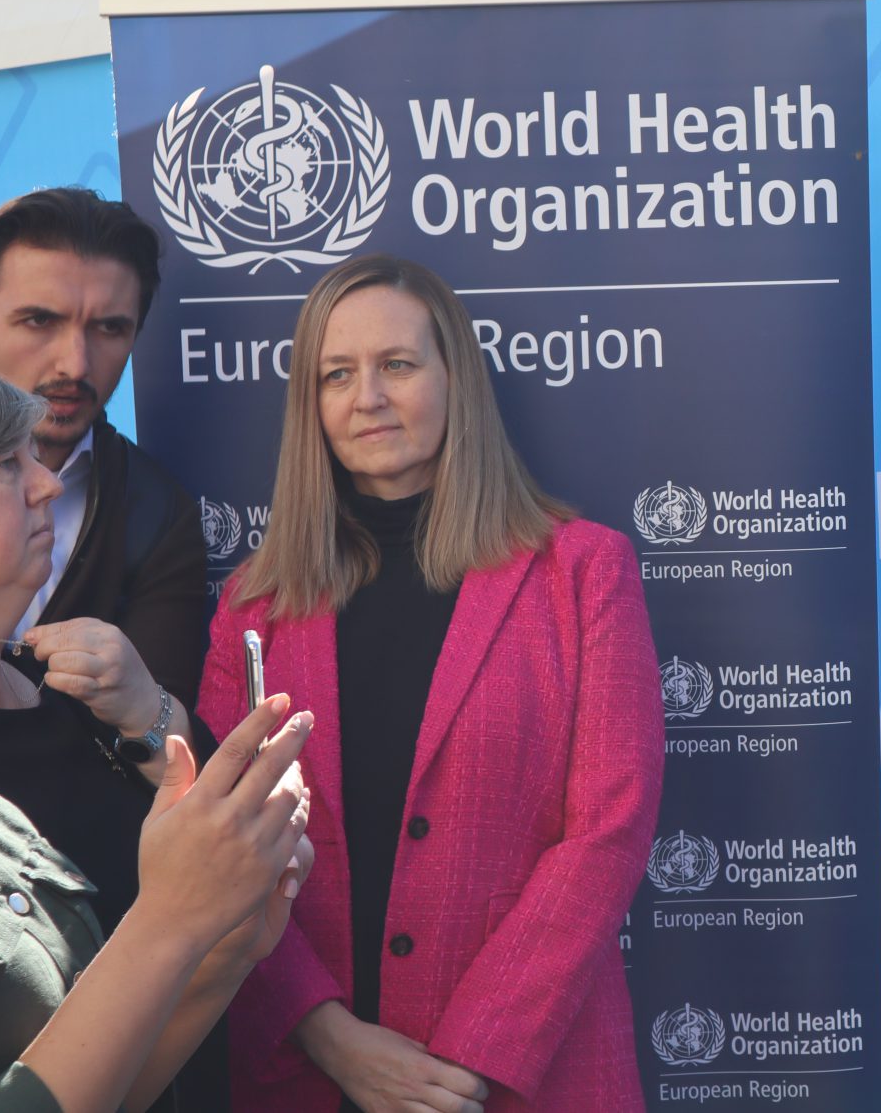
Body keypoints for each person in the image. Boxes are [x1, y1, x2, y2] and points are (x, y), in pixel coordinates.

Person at [197, 254, 662, 1113]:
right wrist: (329, 1036)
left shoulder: (582, 571)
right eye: (338, 374)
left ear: (457, 380)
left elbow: (609, 831)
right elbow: (225, 852)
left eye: (398, 364)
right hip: (313, 1080)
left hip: (522, 1082)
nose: (368, 396)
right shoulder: (253, 609)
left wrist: (457, 1066)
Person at [0, 371, 316, 1113]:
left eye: (35, 459)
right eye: (3, 464)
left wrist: (227, 946)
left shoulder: (80, 693)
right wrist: (176, 921)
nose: (46, 484)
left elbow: (118, 1082)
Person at [0, 187, 209, 707]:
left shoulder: (158, 515)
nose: (75, 363)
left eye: (109, 328)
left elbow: (168, 744)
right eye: (40, 321)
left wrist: (145, 707)